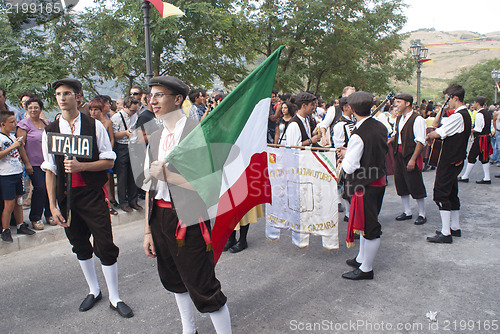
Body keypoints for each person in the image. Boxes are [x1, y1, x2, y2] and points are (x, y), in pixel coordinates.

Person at [142, 76, 232, 334]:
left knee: (203, 285)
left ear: (178, 99)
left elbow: (210, 186)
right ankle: (187, 329)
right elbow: (150, 187)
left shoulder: (196, 132)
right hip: (159, 216)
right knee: (174, 279)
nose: (153, 100)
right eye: (151, 95)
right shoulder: (156, 136)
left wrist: (168, 176)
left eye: (159, 94)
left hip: (188, 219)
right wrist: (148, 231)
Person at [41, 78, 133, 317]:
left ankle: (115, 296)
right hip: (66, 197)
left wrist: (83, 167)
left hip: (92, 193)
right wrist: (52, 205)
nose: (62, 98)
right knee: (79, 244)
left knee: (104, 242)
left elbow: (109, 161)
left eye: (67, 93)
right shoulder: (50, 130)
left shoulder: (94, 126)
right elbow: (50, 170)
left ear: (78, 97)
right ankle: (94, 290)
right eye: (59, 94)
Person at [337, 91, 387, 280]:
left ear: (352, 109)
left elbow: (350, 166)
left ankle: (366, 268)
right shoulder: (380, 126)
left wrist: (344, 156)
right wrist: (350, 151)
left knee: (369, 226)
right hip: (377, 181)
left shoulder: (359, 133)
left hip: (364, 184)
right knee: (366, 225)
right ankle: (361, 258)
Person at [425, 84, 471, 243]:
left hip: (449, 159)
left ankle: (446, 233)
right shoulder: (464, 114)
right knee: (451, 192)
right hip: (456, 159)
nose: (447, 103)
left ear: (455, 98)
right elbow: (440, 125)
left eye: (448, 100)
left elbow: (438, 132)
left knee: (441, 192)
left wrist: (429, 136)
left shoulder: (458, 116)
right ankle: (455, 227)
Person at [16, 97, 55, 230]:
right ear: (26, 109)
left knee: (50, 188)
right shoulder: (23, 125)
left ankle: (50, 214)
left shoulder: (46, 123)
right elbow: (20, 146)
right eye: (30, 107)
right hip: (33, 162)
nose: (33, 110)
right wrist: (26, 163)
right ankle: (36, 217)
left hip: (47, 162)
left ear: (40, 109)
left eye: (36, 107)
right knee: (40, 188)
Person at [389, 94, 427, 225]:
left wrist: (413, 159)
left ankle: (422, 213)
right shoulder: (399, 118)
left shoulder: (418, 119)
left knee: (415, 183)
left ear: (408, 103)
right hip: (398, 154)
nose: (396, 105)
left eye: (399, 102)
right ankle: (407, 211)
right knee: (401, 183)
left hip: (410, 155)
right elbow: (397, 135)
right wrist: (389, 140)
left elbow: (420, 141)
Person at [0, 110, 36, 242]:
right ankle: (6, 229)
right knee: (9, 204)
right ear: (3, 124)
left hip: (17, 173)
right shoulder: (1, 138)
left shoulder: (11, 137)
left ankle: (20, 224)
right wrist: (12, 147)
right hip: (6, 175)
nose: (14, 124)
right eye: (11, 122)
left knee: (18, 202)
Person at [111, 96, 142, 213]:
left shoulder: (135, 115)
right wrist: (125, 133)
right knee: (122, 176)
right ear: (125, 107)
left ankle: (133, 201)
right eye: (132, 110)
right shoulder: (116, 118)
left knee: (133, 174)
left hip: (134, 146)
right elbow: (113, 135)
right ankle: (123, 202)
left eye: (135, 110)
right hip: (122, 147)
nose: (134, 112)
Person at [88, 97, 118, 215]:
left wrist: (107, 153)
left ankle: (109, 203)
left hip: (104, 155)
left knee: (106, 180)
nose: (93, 112)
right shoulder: (88, 123)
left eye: (96, 110)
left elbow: (111, 139)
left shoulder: (107, 122)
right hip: (92, 156)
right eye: (91, 110)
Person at [458, 96, 492, 184]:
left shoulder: (479, 114)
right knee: (484, 157)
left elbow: (478, 128)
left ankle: (465, 176)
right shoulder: (487, 113)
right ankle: (487, 178)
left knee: (472, 156)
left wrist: (470, 130)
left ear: (477, 103)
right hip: (486, 137)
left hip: (480, 138)